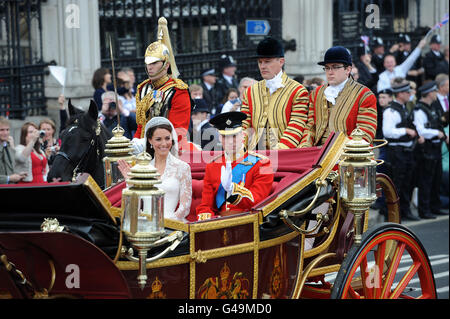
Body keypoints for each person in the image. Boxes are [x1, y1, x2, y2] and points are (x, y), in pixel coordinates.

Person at [196, 112, 274, 220]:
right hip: (219, 224)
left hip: (248, 222)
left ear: (243, 135)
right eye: (225, 136)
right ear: (219, 138)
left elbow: (257, 200)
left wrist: (233, 189)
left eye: (234, 136)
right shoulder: (212, 166)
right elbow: (206, 206)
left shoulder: (263, 163)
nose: (230, 141)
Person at [299, 46, 377, 147]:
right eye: (327, 68)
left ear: (348, 69)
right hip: (317, 154)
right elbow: (310, 127)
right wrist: (305, 148)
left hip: (348, 155)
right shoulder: (316, 93)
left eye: (335, 67)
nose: (330, 72)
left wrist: (333, 152)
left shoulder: (364, 95)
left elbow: (365, 133)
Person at [241, 36, 309, 150]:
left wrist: (279, 151)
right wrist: (241, 146)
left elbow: (296, 125)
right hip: (255, 153)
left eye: (267, 61)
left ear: (281, 61)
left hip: (285, 154)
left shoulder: (298, 91)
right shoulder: (250, 91)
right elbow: (244, 124)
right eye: (260, 62)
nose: (262, 66)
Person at [134, 17, 192, 148]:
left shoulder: (178, 90)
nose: (150, 67)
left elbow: (179, 131)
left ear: (166, 65)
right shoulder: (142, 88)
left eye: (154, 63)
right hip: (144, 147)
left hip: (169, 148)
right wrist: (136, 143)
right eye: (148, 63)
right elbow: (141, 126)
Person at [121, 117, 192, 222]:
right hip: (145, 225)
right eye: (158, 139)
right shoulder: (141, 169)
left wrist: (164, 224)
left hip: (173, 226)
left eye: (167, 138)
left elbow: (184, 207)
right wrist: (131, 183)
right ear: (150, 140)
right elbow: (134, 208)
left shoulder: (183, 167)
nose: (164, 144)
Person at [382, 79, 419, 221]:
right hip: (396, 152)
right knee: (396, 184)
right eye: (407, 92)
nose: (410, 94)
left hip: (407, 151)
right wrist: (405, 130)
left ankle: (405, 211)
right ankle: (392, 215)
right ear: (400, 94)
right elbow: (388, 132)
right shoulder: (391, 111)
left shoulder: (404, 108)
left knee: (407, 183)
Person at [414, 81, 447, 219]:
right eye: (434, 92)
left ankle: (435, 206)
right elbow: (420, 130)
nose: (435, 94)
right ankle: (424, 209)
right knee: (426, 180)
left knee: (436, 179)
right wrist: (436, 133)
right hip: (426, 149)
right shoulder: (419, 110)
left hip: (436, 148)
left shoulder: (432, 108)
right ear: (429, 93)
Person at [0, 116, 27, 184]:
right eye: (2, 130)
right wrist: (9, 178)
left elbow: (9, 169)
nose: (5, 133)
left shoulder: (7, 146)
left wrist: (18, 175)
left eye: (7, 130)